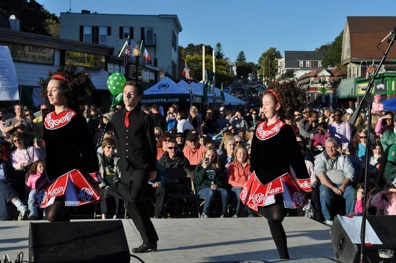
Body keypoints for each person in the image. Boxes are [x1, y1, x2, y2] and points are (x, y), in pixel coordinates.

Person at [245, 87, 311, 260]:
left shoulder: (284, 129)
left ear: (278, 106)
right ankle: (285, 257)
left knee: (276, 217)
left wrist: (304, 181)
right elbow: (255, 155)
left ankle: (284, 257)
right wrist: (252, 177)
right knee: (272, 217)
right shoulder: (259, 128)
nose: (264, 107)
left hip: (278, 178)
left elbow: (295, 157)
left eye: (267, 104)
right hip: (260, 178)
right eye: (263, 104)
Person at [35, 65, 101, 222]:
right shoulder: (47, 118)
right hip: (52, 174)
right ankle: (70, 245)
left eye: (54, 89)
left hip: (70, 173)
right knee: (55, 217)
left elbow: (88, 149)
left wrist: (94, 177)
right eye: (48, 89)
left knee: (53, 216)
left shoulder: (75, 118)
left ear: (65, 91)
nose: (49, 93)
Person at [107, 80, 159, 253]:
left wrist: (153, 168)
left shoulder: (145, 118)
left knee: (135, 197)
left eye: (131, 93)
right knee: (132, 205)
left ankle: (113, 188)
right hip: (125, 167)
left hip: (142, 166)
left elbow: (152, 145)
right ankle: (150, 240)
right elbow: (118, 141)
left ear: (138, 97)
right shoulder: (116, 117)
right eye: (125, 92)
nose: (127, 96)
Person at [314, 137, 356, 226]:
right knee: (324, 192)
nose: (330, 149)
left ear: (337, 147)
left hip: (343, 184)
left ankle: (350, 217)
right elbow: (320, 173)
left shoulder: (344, 158)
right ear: (325, 147)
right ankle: (327, 219)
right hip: (327, 185)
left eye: (332, 147)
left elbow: (350, 174)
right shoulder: (320, 158)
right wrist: (332, 188)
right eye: (328, 147)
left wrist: (343, 186)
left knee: (352, 192)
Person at [194, 146, 229, 218]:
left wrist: (218, 185)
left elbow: (222, 181)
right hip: (203, 189)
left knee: (225, 192)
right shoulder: (199, 166)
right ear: (204, 155)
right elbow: (197, 182)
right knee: (210, 192)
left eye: (212, 156)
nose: (210, 158)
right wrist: (204, 168)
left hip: (215, 188)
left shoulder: (217, 167)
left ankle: (223, 213)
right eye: (208, 155)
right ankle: (204, 213)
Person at [0, 148, 29, 220]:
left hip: (6, 187)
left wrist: (9, 183)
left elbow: (15, 177)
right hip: (5, 187)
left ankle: (5, 219)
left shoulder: (7, 165)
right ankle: (20, 206)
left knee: (3, 192)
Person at [10, 132, 41, 199]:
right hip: (22, 171)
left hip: (33, 169)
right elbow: (14, 165)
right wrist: (22, 164)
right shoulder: (13, 153)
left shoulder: (32, 149)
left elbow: (37, 160)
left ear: (22, 139)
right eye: (14, 141)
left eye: (19, 139)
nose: (17, 142)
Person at [97, 138, 121, 219]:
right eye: (109, 147)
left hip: (115, 183)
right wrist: (103, 185)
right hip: (103, 183)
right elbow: (98, 175)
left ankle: (116, 215)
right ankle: (104, 215)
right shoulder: (99, 158)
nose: (111, 150)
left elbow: (120, 174)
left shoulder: (117, 158)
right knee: (103, 191)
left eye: (113, 148)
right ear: (103, 148)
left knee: (117, 189)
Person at [227, 145, 251, 217]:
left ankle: (250, 211)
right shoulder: (232, 165)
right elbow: (230, 181)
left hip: (248, 185)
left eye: (244, 153)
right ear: (236, 154)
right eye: (240, 153)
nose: (242, 155)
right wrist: (242, 185)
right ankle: (237, 212)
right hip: (236, 186)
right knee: (239, 191)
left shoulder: (250, 165)